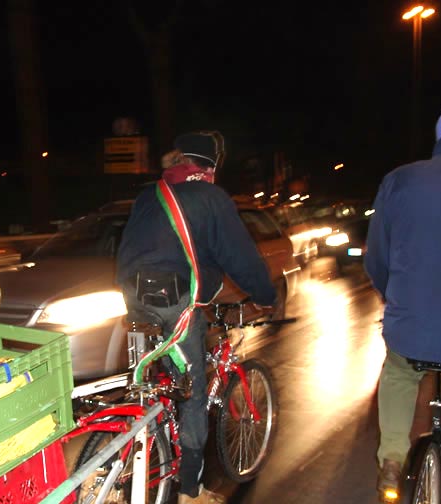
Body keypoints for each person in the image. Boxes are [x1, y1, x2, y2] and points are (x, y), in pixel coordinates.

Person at [116, 130, 277, 504]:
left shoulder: (151, 194)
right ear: (211, 166)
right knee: (193, 391)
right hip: (174, 299)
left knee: (157, 378)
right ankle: (191, 490)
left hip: (133, 295)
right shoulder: (210, 197)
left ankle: (151, 428)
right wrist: (265, 296)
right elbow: (240, 256)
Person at [365, 101, 441, 500]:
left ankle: (392, 459)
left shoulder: (399, 180)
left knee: (399, 372)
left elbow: (377, 257)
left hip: (411, 324)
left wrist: (395, 297)